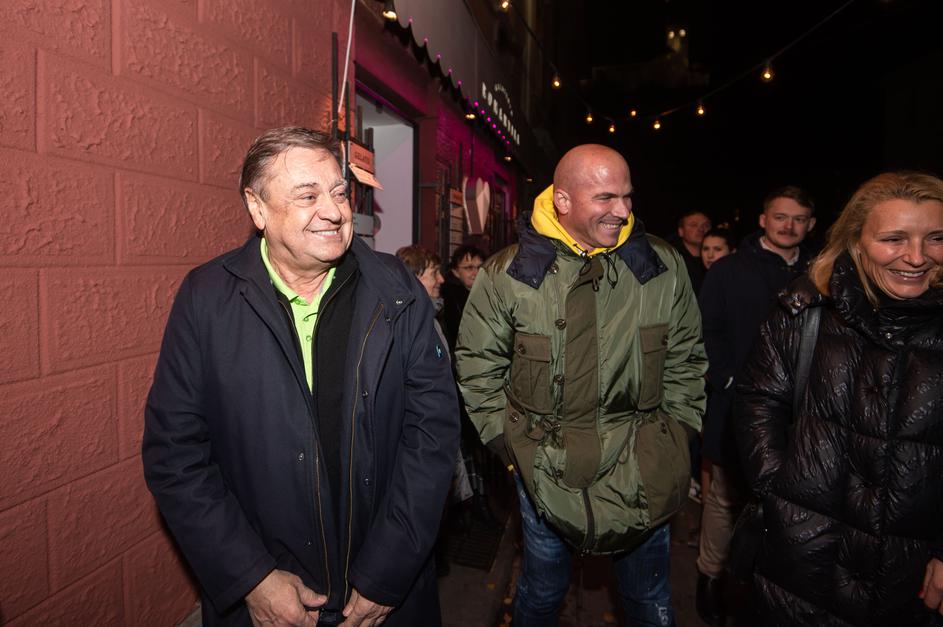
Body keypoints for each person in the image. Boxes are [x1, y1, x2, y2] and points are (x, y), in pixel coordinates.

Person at [142, 127, 459, 627]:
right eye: (308, 196)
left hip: (385, 593)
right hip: (267, 599)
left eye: (339, 192)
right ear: (258, 208)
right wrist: (251, 577)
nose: (334, 211)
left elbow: (433, 436)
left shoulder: (396, 290)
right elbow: (175, 453)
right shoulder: (206, 300)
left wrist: (388, 571)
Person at [456, 144, 707, 626]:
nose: (623, 210)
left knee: (648, 599)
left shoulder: (661, 265)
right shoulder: (509, 273)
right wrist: (513, 448)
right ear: (563, 201)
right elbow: (477, 368)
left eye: (627, 196)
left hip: (644, 466)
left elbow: (687, 359)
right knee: (541, 594)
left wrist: (675, 438)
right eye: (606, 197)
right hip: (545, 470)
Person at [735, 172, 943, 626]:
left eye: (936, 238)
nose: (916, 257)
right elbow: (758, 399)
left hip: (909, 577)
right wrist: (780, 492)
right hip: (802, 557)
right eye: (893, 239)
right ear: (856, 241)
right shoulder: (804, 311)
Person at [695, 186, 816, 626]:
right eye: (780, 216)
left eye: (798, 219)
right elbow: (704, 331)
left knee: (789, 504)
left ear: (811, 225)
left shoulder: (822, 272)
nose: (789, 226)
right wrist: (727, 380)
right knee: (724, 498)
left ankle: (762, 587)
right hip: (736, 406)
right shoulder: (728, 270)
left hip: (801, 415)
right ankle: (710, 576)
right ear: (763, 219)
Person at [395, 245, 473, 576]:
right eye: (433, 274)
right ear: (414, 279)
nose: (441, 280)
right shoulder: (413, 323)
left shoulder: (430, 316)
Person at [674, 210, 712, 293]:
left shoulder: (718, 257)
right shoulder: (674, 259)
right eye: (693, 225)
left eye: (706, 225)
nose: (701, 229)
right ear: (681, 231)